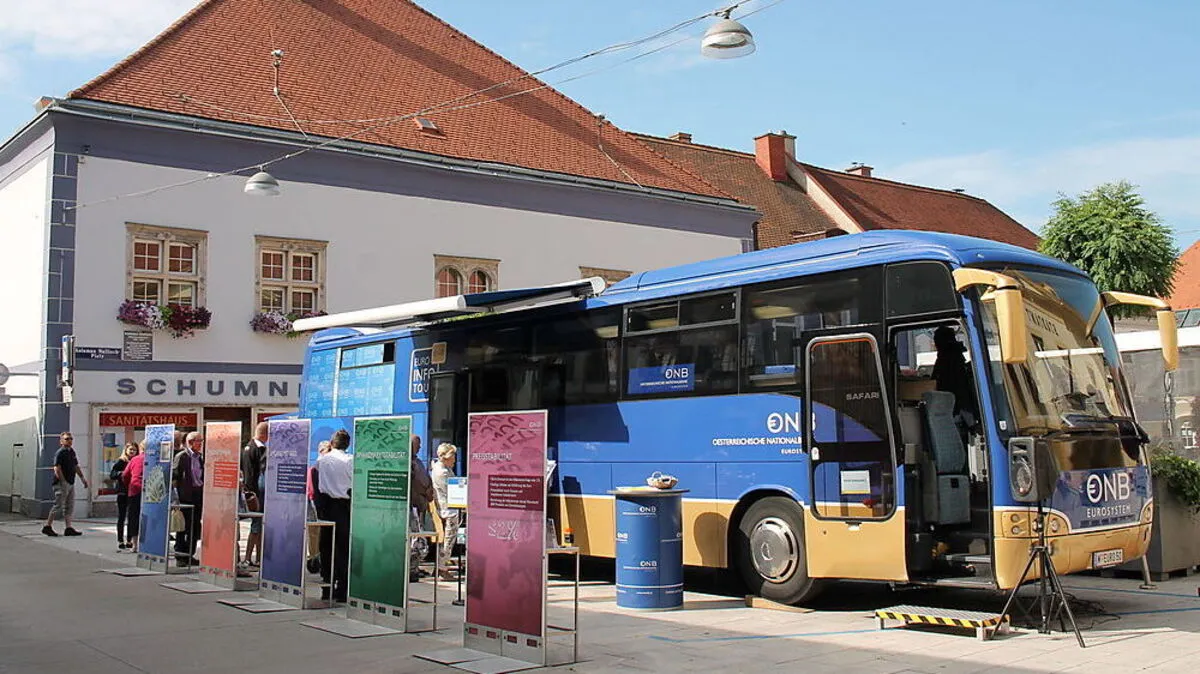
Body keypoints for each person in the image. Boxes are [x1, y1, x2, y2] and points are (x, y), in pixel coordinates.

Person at [314, 430, 353, 602]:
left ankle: (326, 587)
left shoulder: (321, 460)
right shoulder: (349, 460)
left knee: (327, 548)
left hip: (326, 505)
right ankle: (343, 589)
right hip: (343, 505)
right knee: (343, 549)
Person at [44, 431, 88, 537]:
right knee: (58, 505)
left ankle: (68, 528)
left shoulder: (71, 452)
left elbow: (76, 466)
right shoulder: (60, 452)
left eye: (71, 439)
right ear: (61, 441)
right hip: (62, 483)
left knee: (69, 506)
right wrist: (62, 481)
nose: (69, 440)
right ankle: (47, 526)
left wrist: (82, 478)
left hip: (71, 482)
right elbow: (57, 468)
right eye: (67, 439)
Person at [171, 431, 205, 565]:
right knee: (183, 527)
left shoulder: (200, 457)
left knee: (195, 526)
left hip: (198, 494)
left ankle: (190, 554)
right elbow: (174, 476)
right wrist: (176, 497)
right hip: (185, 496)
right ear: (190, 442)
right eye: (199, 441)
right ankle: (180, 556)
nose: (201, 444)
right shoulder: (182, 457)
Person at [241, 422, 269, 568]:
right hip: (258, 493)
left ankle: (256, 557)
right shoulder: (260, 449)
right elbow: (260, 474)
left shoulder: (246, 448)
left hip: (250, 492)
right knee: (257, 525)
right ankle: (251, 558)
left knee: (257, 524)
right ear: (265, 434)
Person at [408, 435, 436, 582]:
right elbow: (415, 481)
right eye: (417, 444)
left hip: (421, 505)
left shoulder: (418, 461)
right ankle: (411, 570)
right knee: (414, 539)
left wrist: (430, 489)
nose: (419, 447)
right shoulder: (408, 463)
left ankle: (415, 567)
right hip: (413, 504)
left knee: (420, 539)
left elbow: (426, 478)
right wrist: (425, 491)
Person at [430, 443, 460, 581]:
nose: (454, 459)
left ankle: (440, 566)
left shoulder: (440, 467)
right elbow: (452, 490)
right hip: (448, 510)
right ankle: (442, 568)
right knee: (448, 540)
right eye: (452, 456)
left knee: (446, 540)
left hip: (447, 508)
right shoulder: (442, 472)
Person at [111, 442, 138, 549]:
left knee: (131, 517)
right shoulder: (121, 461)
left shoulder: (137, 461)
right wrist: (123, 473)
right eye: (130, 450)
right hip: (123, 492)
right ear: (126, 450)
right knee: (121, 517)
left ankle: (130, 540)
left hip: (132, 492)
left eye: (134, 450)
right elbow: (112, 474)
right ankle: (120, 540)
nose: (132, 452)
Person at [123, 442, 146, 553]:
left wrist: (129, 485)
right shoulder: (155, 459)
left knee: (134, 517)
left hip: (135, 490)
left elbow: (125, 475)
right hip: (150, 492)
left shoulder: (135, 459)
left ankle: (135, 545)